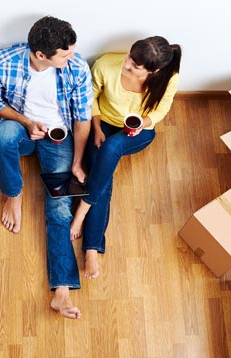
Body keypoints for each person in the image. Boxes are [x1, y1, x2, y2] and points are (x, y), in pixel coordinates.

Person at [0, 16, 92, 319]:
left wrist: (77, 161)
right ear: (41, 54)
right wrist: (26, 122)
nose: (73, 57)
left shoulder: (77, 68)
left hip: (59, 137)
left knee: (59, 208)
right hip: (23, 130)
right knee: (1, 136)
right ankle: (12, 194)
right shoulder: (2, 62)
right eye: (65, 54)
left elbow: (82, 118)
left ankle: (61, 290)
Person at [69, 36, 181, 279]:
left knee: (110, 150)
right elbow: (92, 100)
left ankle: (81, 213)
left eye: (134, 66)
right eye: (129, 58)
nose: (127, 65)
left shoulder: (168, 78)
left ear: (155, 70)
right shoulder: (106, 65)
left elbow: (162, 110)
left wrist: (144, 123)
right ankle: (91, 249)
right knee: (104, 174)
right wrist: (97, 129)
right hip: (103, 126)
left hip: (136, 132)